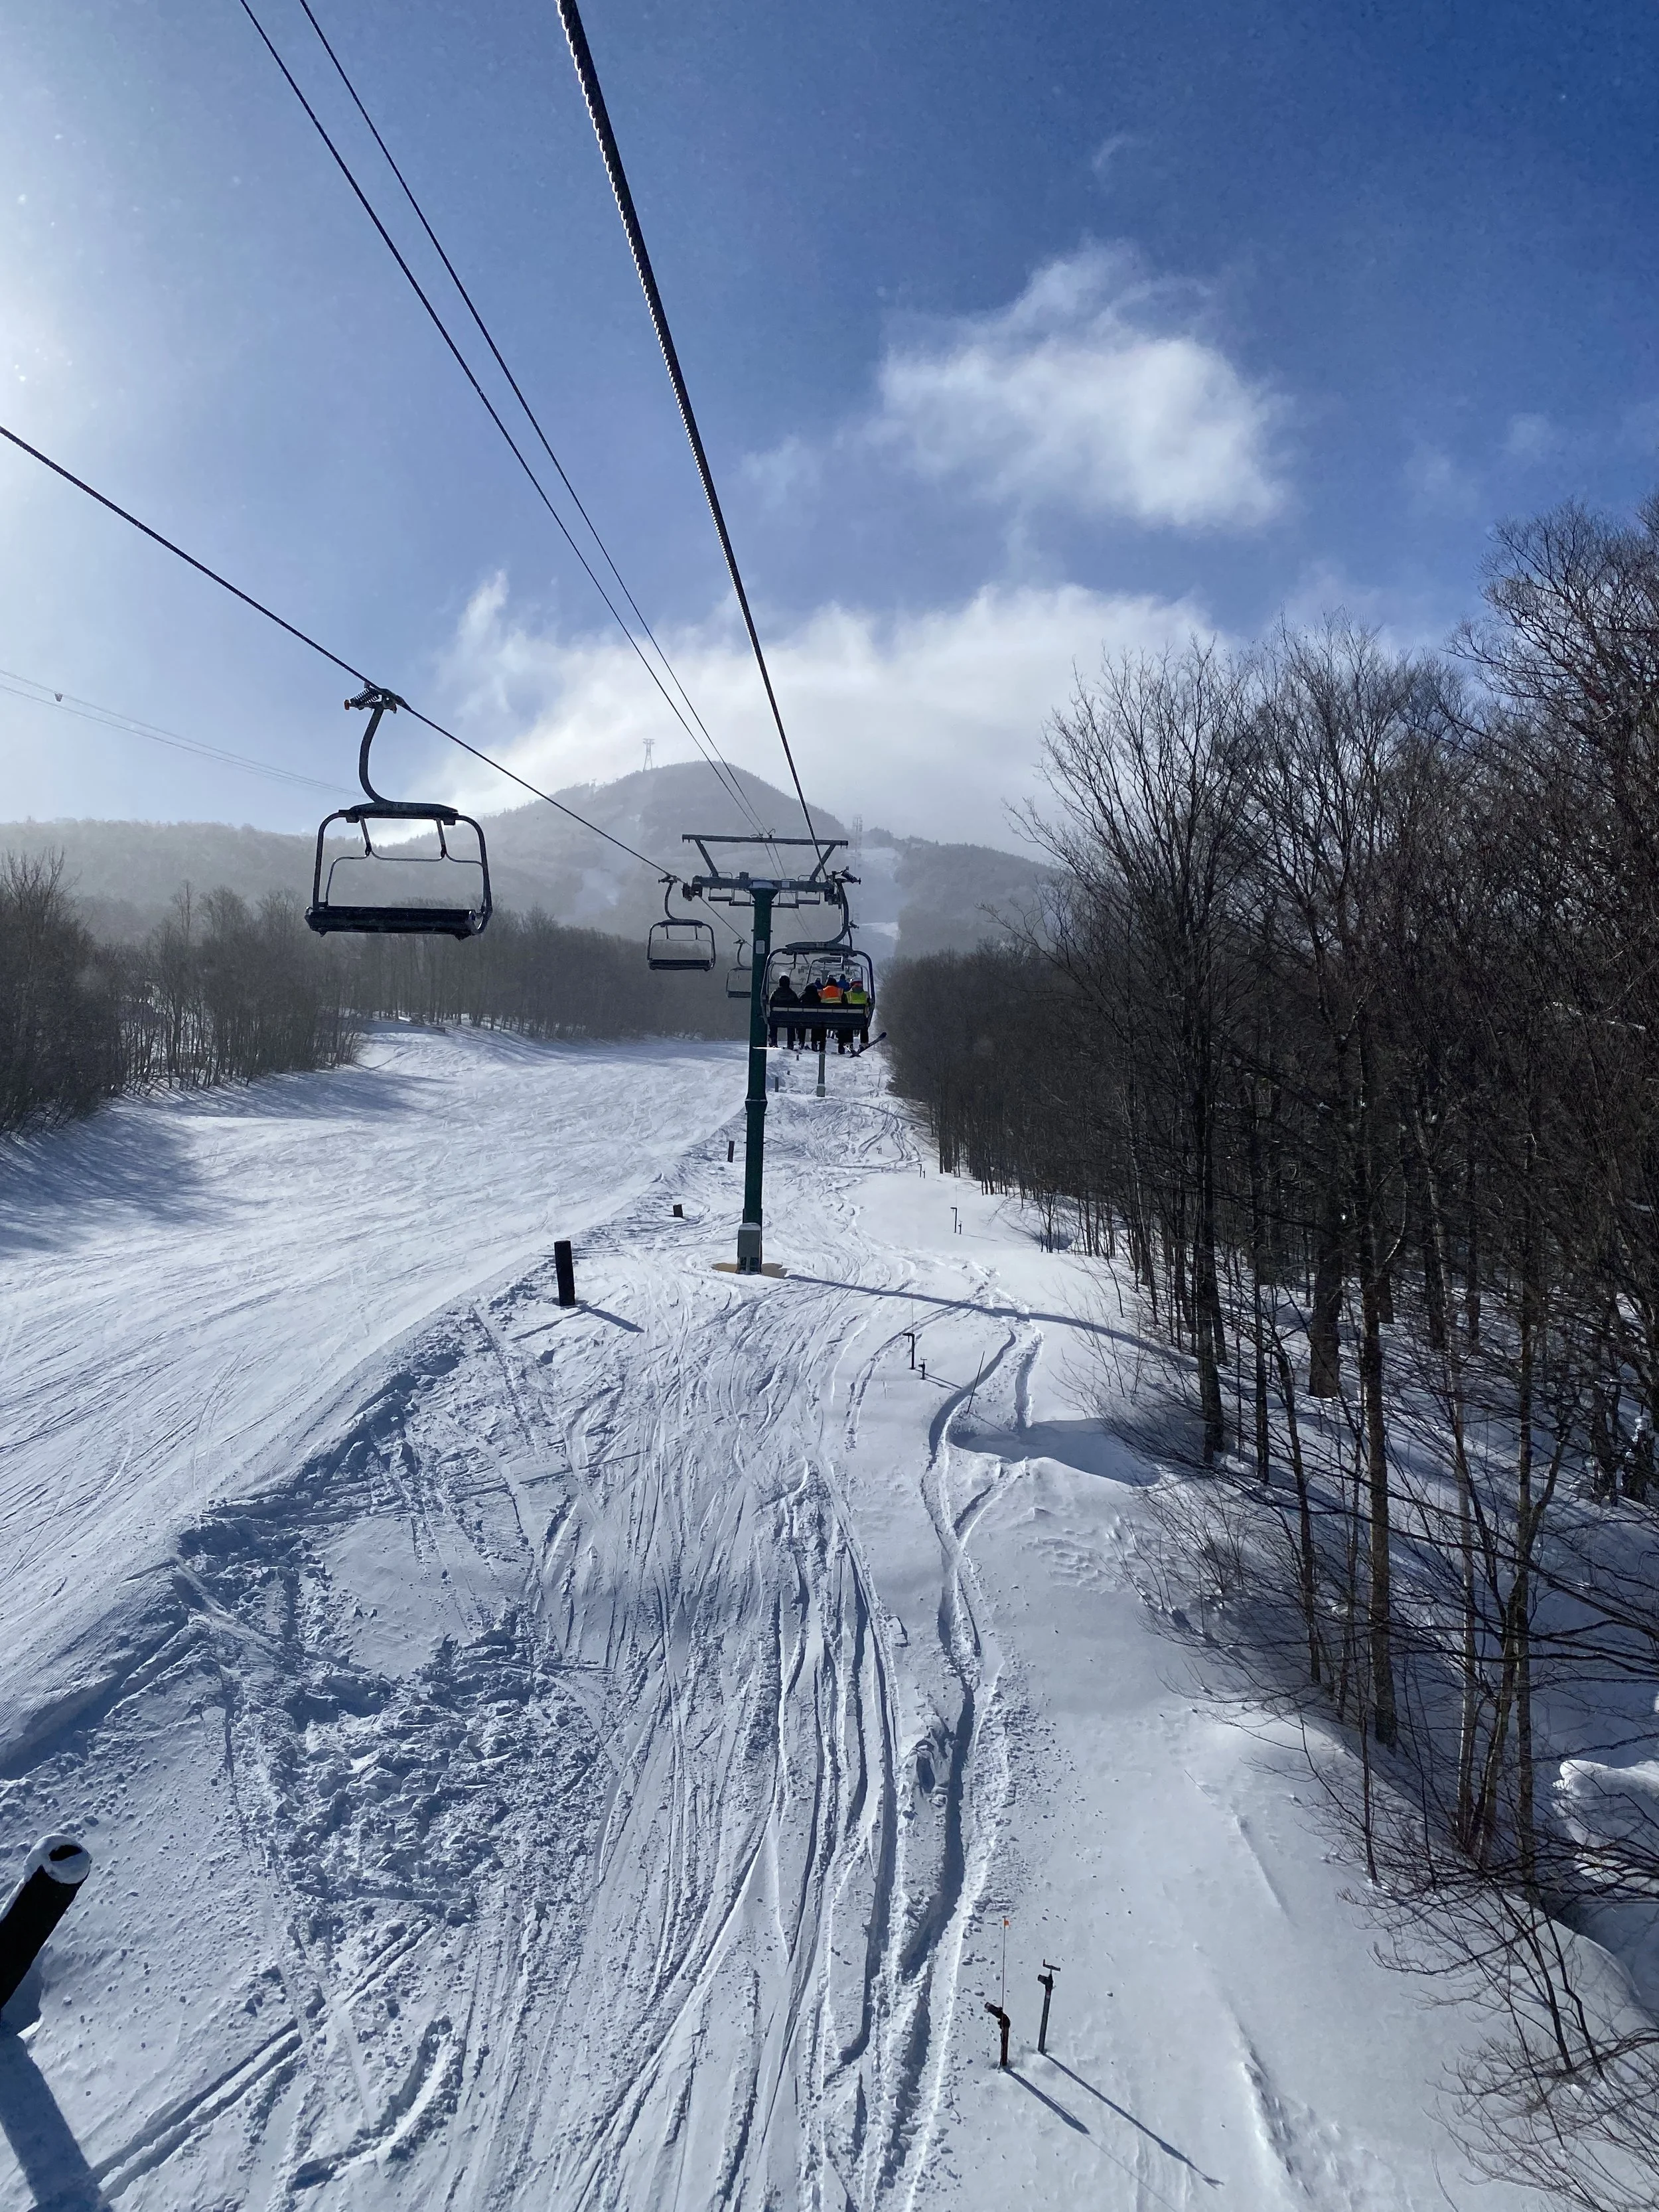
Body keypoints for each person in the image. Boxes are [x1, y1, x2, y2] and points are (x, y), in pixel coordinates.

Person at [768, 973, 799, 1049]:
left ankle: (773, 1041)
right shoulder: (792, 994)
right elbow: (797, 1004)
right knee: (791, 1026)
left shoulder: (775, 993)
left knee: (773, 1026)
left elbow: (771, 1003)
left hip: (777, 1018)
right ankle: (790, 1042)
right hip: (789, 1018)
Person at [798, 978, 822, 1054]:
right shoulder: (817, 997)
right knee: (815, 1026)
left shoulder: (803, 995)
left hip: (803, 1018)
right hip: (814, 1019)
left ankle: (801, 1041)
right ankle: (814, 1042)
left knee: (802, 1026)